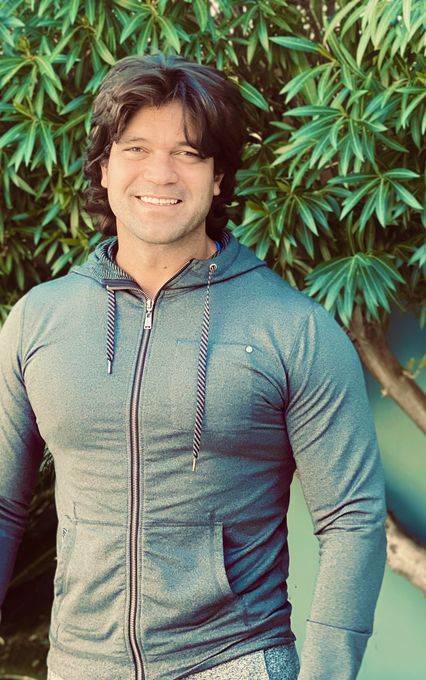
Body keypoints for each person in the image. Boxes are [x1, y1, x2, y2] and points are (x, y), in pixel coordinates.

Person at [0, 53, 387, 680]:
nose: (161, 172)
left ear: (218, 176)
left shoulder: (294, 329)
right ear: (104, 167)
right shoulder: (38, 320)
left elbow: (352, 519)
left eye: (188, 152)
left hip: (234, 660)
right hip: (78, 663)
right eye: (136, 148)